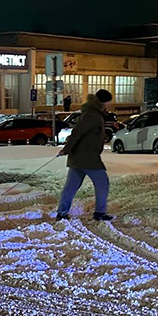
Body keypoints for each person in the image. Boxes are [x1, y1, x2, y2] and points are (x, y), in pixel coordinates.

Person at [56, 89, 113, 222]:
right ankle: (99, 213)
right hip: (87, 156)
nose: (110, 104)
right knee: (102, 183)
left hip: (79, 156)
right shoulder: (92, 115)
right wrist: (66, 149)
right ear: (104, 102)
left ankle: (62, 213)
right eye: (109, 101)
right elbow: (77, 132)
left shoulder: (93, 113)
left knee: (71, 186)